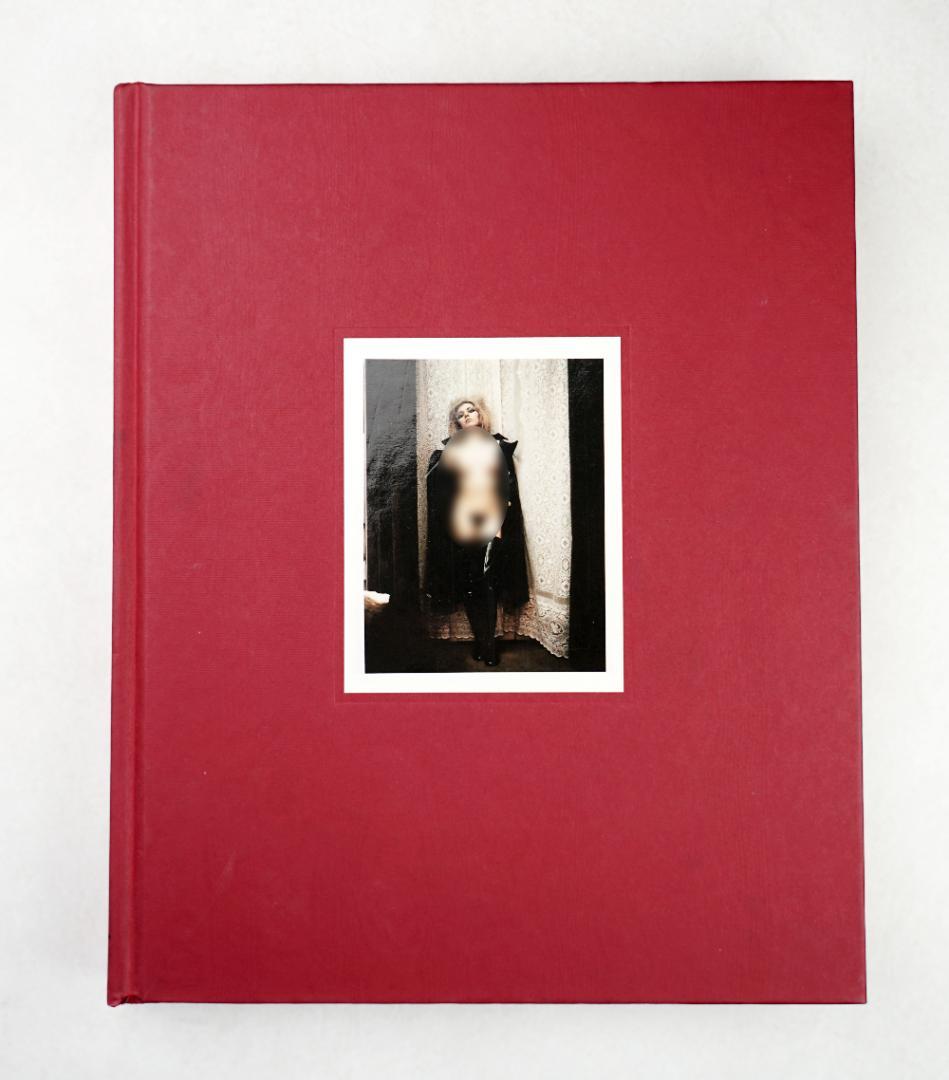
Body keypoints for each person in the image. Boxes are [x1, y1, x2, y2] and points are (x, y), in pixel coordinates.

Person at [424, 398, 530, 665]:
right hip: (462, 525)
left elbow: (507, 490)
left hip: (492, 523)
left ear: (480, 415)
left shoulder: (497, 447)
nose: (467, 415)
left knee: (488, 585)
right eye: (461, 414)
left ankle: (489, 647)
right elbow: (442, 492)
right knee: (470, 586)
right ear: (457, 423)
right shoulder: (449, 452)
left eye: (471, 410)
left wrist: (500, 526)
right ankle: (481, 642)